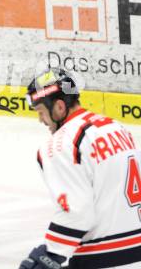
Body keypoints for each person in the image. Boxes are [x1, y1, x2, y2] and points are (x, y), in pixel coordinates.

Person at [19, 68, 141, 269]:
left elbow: (77, 213)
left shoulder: (61, 144)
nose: (41, 120)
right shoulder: (117, 127)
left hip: (104, 257)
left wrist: (52, 253)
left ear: (59, 107)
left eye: (41, 111)